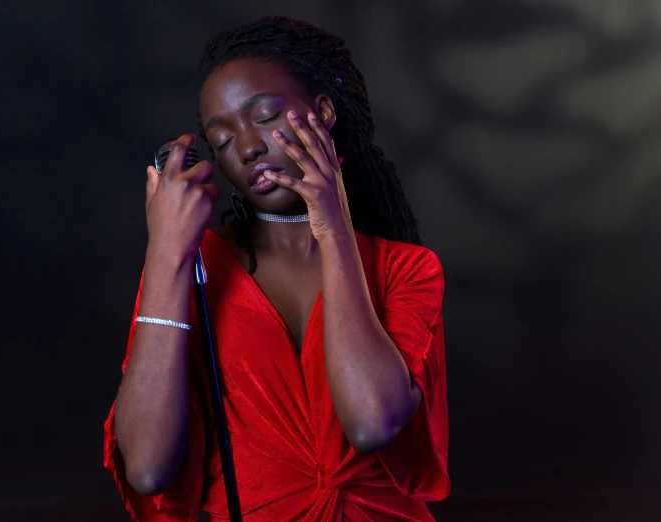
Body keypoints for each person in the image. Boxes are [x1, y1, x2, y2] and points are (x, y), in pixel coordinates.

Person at [104, 16, 449, 522]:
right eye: (222, 141)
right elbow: (149, 470)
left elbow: (372, 423)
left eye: (265, 116)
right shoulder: (191, 270)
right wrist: (165, 252)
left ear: (324, 113)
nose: (247, 148)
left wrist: (332, 226)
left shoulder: (407, 269)